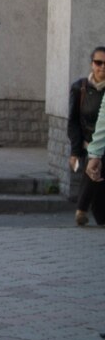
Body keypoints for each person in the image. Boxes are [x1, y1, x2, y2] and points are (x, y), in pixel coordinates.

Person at [67, 46, 105, 225]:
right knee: (94, 172)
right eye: (98, 62)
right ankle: (83, 210)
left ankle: (83, 209)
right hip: (87, 144)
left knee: (96, 176)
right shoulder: (80, 88)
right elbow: (73, 121)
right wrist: (75, 151)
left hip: (102, 144)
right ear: (92, 64)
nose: (102, 67)